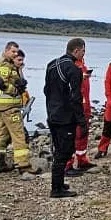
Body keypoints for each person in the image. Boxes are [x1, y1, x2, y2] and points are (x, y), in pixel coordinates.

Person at [44, 38, 87, 199]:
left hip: (52, 114)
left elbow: (46, 90)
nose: (83, 54)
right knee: (64, 152)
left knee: (59, 149)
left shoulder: (52, 64)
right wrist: (82, 121)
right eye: (83, 51)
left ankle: (59, 183)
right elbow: (76, 98)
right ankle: (56, 189)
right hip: (65, 117)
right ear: (76, 51)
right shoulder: (73, 69)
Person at [0, 48, 31, 172]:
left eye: (22, 60)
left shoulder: (2, 66)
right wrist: (16, 90)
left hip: (1, 107)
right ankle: (23, 164)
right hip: (10, 107)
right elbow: (1, 84)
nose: (20, 62)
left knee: (1, 135)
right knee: (19, 135)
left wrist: (20, 71)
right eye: (18, 59)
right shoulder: (7, 68)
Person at [67, 49, 96, 174]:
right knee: (73, 134)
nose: (84, 53)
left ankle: (82, 159)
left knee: (83, 133)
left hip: (85, 105)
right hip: (76, 105)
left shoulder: (83, 66)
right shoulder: (70, 66)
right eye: (82, 51)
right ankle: (68, 163)